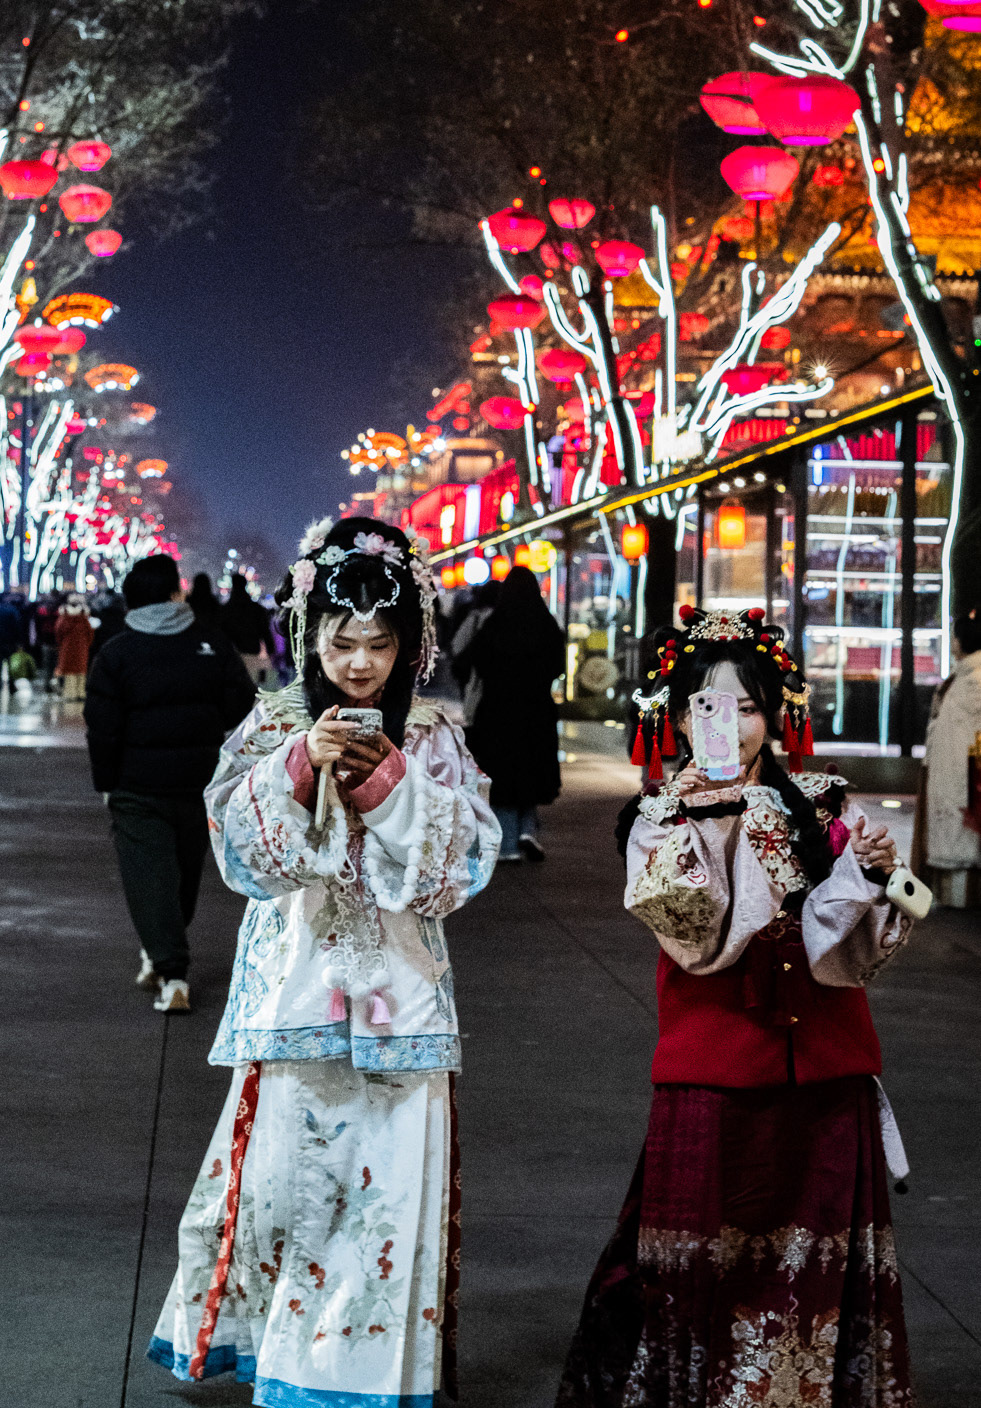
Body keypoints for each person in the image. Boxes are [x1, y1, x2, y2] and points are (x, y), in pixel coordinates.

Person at [149, 517, 500, 1403]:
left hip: (401, 1003)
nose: (359, 663)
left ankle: (364, 1372)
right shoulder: (273, 723)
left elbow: (464, 865)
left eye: (380, 643)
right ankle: (287, 1361)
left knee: (385, 1200)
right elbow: (238, 855)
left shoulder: (433, 736)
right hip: (299, 996)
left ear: (407, 645)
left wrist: (390, 788)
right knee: (287, 1194)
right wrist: (300, 767)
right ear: (308, 636)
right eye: (342, 641)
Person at [556, 604, 916, 1408]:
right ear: (675, 715)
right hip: (713, 1070)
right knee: (704, 1272)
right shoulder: (656, 819)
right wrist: (720, 825)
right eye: (706, 705)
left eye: (746, 706)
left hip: (827, 1069)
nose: (729, 724)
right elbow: (699, 940)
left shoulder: (826, 807)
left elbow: (856, 954)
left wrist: (870, 872)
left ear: (775, 711)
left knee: (812, 1267)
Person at [86, 553, 255, 1013]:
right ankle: (161, 954)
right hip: (198, 781)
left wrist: (106, 782)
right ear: (175, 593)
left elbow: (102, 726)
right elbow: (241, 709)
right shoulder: (211, 643)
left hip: (136, 786)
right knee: (181, 876)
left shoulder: (116, 651)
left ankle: (173, 971)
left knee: (148, 876)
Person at [463, 565, 565, 861]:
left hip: (498, 712)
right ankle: (527, 830)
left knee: (503, 774)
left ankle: (507, 842)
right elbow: (557, 667)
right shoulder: (546, 625)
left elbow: (477, 662)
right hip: (536, 710)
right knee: (531, 770)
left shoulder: (494, 626)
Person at [919, 602, 981, 906]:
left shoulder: (972, 679)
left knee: (962, 839)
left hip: (965, 775)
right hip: (954, 772)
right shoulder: (963, 676)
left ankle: (963, 900)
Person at [220, 568, 270, 681]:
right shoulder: (256, 609)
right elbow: (265, 632)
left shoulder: (225, 610)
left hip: (232, 656)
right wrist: (270, 650)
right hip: (253, 653)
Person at [54, 593, 93, 703]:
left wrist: (61, 644)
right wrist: (87, 644)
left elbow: (58, 632)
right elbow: (90, 633)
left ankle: (70, 694)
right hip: (82, 647)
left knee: (69, 671)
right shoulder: (84, 616)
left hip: (67, 647)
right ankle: (81, 693)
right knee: (81, 671)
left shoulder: (64, 616)